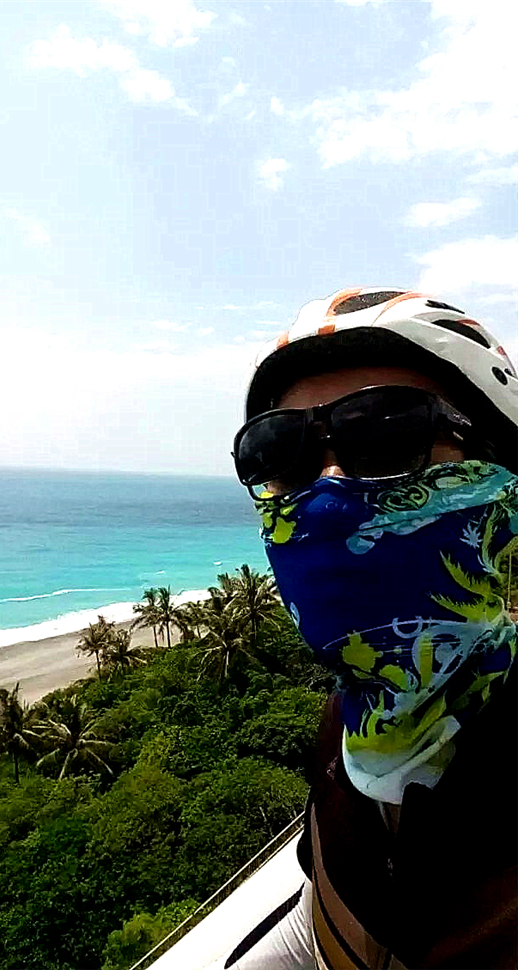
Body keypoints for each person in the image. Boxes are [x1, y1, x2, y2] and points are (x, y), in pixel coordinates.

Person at [223, 288, 518, 970]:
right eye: (284, 454)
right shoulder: (348, 725)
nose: (326, 495)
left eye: (386, 432)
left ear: (502, 474)